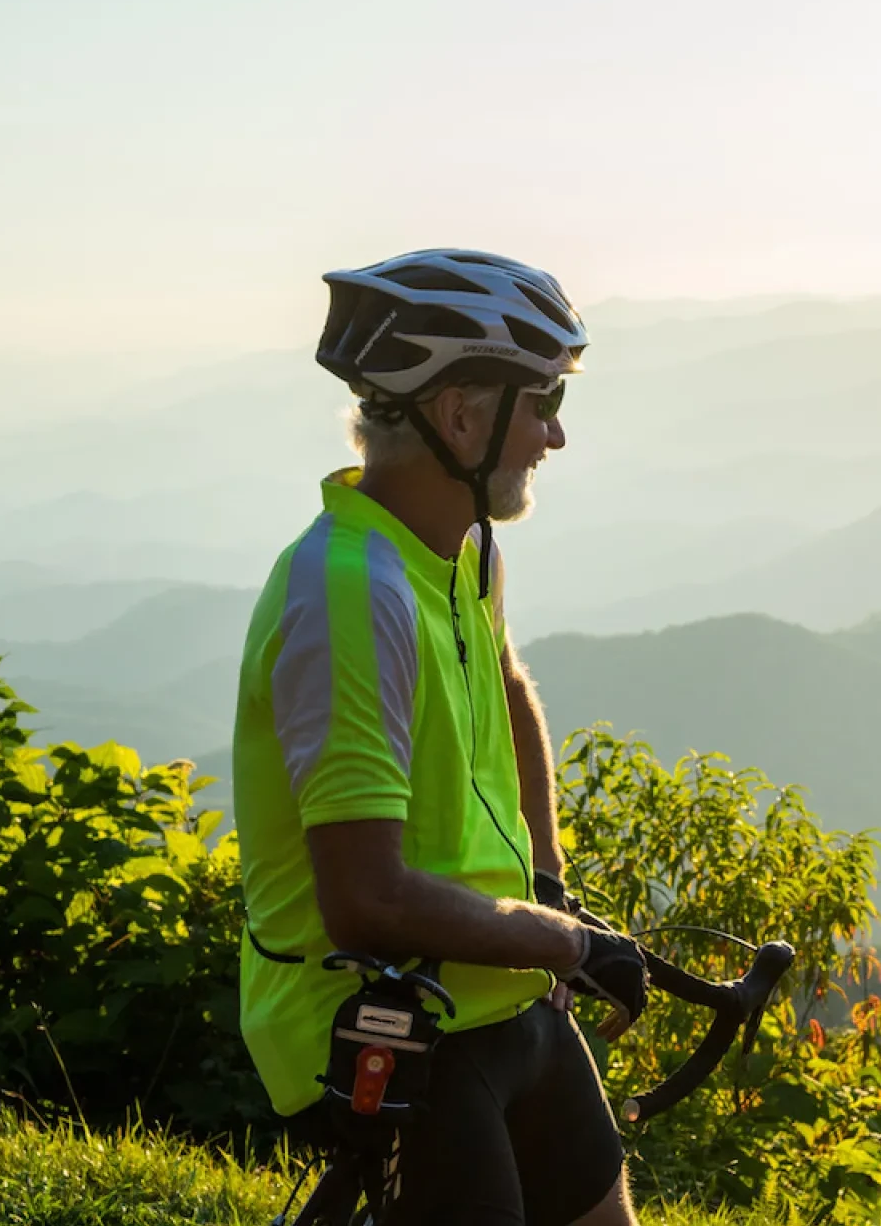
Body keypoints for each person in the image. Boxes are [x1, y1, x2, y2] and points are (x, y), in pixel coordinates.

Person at [232, 249, 652, 1226]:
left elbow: (506, 688)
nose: (556, 433)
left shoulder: (461, 548)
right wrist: (561, 942)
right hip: (381, 1012)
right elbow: (366, 900)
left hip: (495, 978)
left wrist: (550, 893)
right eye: (540, 400)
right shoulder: (349, 594)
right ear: (460, 414)